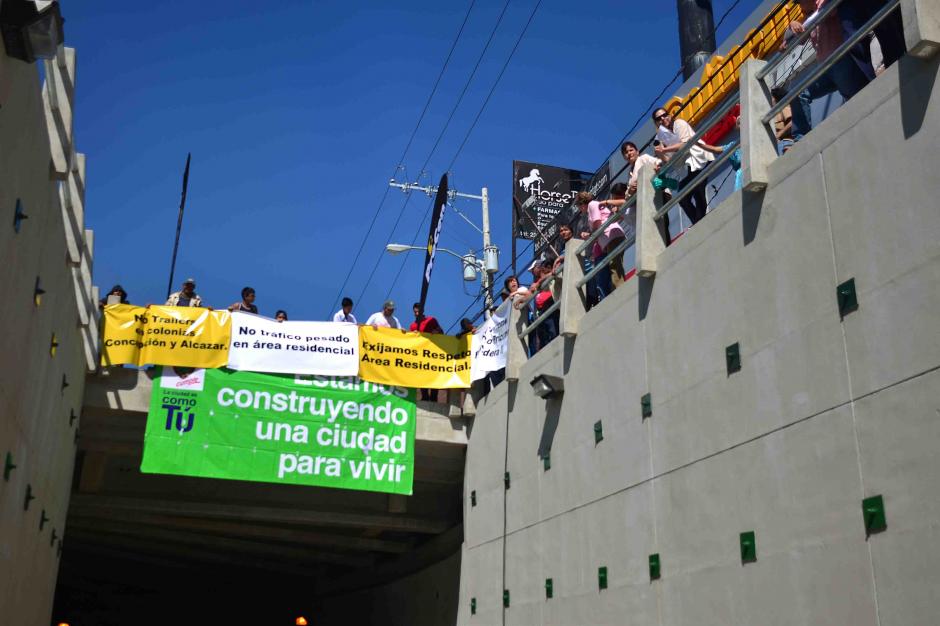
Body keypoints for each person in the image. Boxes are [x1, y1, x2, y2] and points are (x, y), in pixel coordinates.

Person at [653, 108, 723, 226]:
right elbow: (669, 161)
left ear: (669, 115)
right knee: (683, 197)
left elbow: (685, 144)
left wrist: (665, 149)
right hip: (688, 168)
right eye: (658, 118)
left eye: (664, 115)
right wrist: (661, 156)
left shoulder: (679, 124)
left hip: (699, 160)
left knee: (698, 192)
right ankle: (698, 224)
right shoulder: (661, 137)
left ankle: (699, 224)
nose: (663, 119)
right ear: (656, 123)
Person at [622, 141, 671, 245]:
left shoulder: (643, 158)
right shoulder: (629, 174)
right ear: (624, 157)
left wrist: (657, 167)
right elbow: (627, 195)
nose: (629, 153)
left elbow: (658, 162)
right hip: (645, 202)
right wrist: (630, 190)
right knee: (654, 227)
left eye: (631, 150)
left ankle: (668, 247)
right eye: (626, 152)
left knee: (662, 223)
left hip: (658, 193)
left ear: (637, 151)